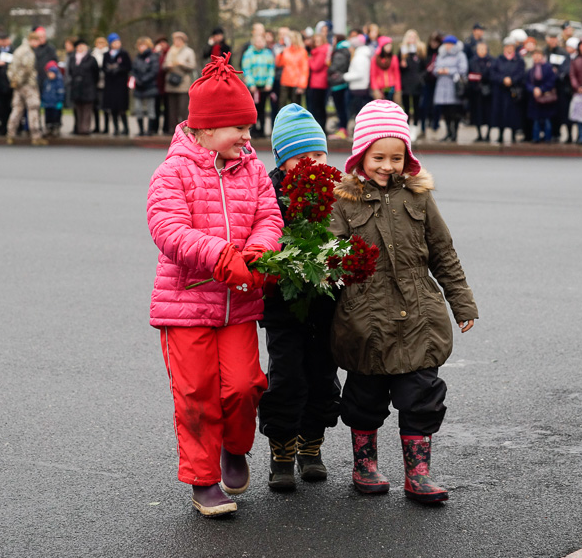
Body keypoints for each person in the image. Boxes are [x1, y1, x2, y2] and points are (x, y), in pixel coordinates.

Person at [146, 53, 283, 518]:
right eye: (238, 129)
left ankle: (234, 447)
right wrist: (219, 255)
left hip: (238, 303)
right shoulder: (173, 172)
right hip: (186, 304)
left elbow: (269, 217)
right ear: (205, 130)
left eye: (249, 128)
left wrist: (259, 251)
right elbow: (167, 228)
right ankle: (204, 481)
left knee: (245, 386)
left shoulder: (252, 169)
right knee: (197, 394)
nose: (248, 138)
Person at [329, 99, 477, 504]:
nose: (387, 166)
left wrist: (461, 303)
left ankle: (419, 472)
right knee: (364, 397)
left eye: (397, 157)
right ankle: (366, 464)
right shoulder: (343, 202)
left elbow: (444, 253)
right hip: (366, 319)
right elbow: (328, 258)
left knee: (422, 394)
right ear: (361, 157)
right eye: (379, 157)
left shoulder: (419, 199)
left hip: (418, 316)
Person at [258, 104, 340, 491]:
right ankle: (282, 450)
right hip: (283, 305)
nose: (312, 162)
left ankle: (312, 446)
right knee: (287, 375)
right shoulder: (268, 193)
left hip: (325, 303)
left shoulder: (334, 192)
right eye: (301, 157)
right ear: (281, 160)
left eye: (319, 154)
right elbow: (262, 238)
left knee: (323, 373)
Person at [488, 35, 526, 144]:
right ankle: (500, 134)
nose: (509, 49)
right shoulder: (498, 59)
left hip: (513, 91)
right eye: (507, 46)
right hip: (500, 90)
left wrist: (512, 80)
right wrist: (503, 79)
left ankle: (513, 135)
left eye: (511, 47)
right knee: (500, 113)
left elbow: (521, 73)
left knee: (513, 114)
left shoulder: (519, 60)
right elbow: (493, 73)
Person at [430, 35, 468, 142]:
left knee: (454, 112)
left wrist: (448, 71)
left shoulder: (460, 55)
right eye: (446, 44)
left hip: (453, 87)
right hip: (442, 87)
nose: (448, 46)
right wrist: (439, 71)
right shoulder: (440, 55)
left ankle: (455, 133)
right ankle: (448, 132)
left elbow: (463, 69)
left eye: (450, 44)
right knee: (445, 112)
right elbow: (435, 68)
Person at [7, 32, 42, 144]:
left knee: (17, 109)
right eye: (37, 41)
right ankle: (35, 136)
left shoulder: (18, 50)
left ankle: (10, 134)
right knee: (33, 108)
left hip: (17, 84)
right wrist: (20, 81)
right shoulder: (28, 52)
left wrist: (14, 81)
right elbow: (27, 68)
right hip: (27, 84)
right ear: (32, 40)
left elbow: (11, 68)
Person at [241, 33, 275, 138]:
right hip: (253, 87)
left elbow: (271, 69)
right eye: (258, 41)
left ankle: (263, 130)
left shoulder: (268, 53)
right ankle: (254, 130)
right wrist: (251, 84)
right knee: (253, 109)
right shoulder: (248, 54)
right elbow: (247, 69)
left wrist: (269, 83)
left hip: (264, 86)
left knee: (263, 109)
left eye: (262, 41)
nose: (260, 43)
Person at [163, 32, 196, 134]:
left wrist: (183, 64)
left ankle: (185, 129)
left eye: (178, 40)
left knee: (183, 108)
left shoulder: (188, 52)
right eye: (175, 40)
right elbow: (163, 65)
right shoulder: (170, 51)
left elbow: (192, 66)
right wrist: (167, 65)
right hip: (171, 83)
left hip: (183, 83)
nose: (176, 42)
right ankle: (173, 129)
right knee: (172, 108)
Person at [67, 38, 98, 135]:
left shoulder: (91, 59)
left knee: (87, 109)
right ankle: (78, 128)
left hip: (88, 87)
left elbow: (96, 74)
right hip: (76, 87)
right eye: (78, 46)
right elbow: (70, 72)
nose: (80, 48)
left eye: (82, 46)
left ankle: (85, 129)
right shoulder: (72, 59)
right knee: (77, 109)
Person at [102, 33, 132, 136]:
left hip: (120, 85)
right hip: (110, 85)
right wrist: (109, 70)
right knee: (112, 108)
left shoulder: (124, 53)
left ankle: (126, 128)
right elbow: (103, 67)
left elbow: (128, 67)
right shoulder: (106, 54)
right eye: (114, 42)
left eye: (118, 42)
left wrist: (118, 69)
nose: (116, 44)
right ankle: (116, 128)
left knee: (121, 108)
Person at [545, 29, 572, 143]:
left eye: (554, 38)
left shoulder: (563, 53)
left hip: (561, 87)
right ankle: (551, 134)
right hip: (547, 86)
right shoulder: (544, 52)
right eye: (550, 38)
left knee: (563, 112)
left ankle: (567, 135)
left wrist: (556, 75)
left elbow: (565, 69)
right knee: (549, 112)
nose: (552, 41)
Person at [131, 36, 160, 137]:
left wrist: (143, 80)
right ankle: (141, 130)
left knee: (150, 109)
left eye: (143, 45)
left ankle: (150, 130)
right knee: (138, 109)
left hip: (150, 86)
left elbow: (154, 71)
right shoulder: (137, 58)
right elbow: (133, 70)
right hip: (138, 87)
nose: (141, 48)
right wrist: (136, 80)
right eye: (139, 46)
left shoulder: (153, 57)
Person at [526, 49, 557, 143]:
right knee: (536, 120)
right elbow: (526, 82)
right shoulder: (530, 69)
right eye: (534, 55)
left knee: (547, 119)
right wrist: (534, 89)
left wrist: (541, 89)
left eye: (538, 55)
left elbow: (551, 81)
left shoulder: (548, 68)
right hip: (534, 98)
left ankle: (548, 138)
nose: (536, 57)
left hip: (546, 98)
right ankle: (536, 138)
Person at [466, 41, 493, 142]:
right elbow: (470, 73)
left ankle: (488, 135)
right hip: (476, 91)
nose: (481, 51)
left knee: (488, 114)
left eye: (483, 49)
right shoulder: (472, 61)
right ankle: (479, 134)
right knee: (477, 114)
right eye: (479, 49)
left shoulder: (491, 60)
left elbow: (492, 73)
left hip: (488, 92)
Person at [275, 31, 308, 108]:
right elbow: (279, 64)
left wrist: (301, 85)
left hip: (296, 83)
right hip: (285, 81)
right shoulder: (286, 50)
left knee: (295, 106)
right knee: (282, 104)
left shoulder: (302, 52)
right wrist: (280, 54)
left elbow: (304, 70)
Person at [344, 34, 372, 123]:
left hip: (359, 89)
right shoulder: (361, 56)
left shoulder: (360, 57)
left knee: (359, 114)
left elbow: (359, 74)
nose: (349, 49)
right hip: (359, 88)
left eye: (351, 46)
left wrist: (345, 76)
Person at [399, 30, 424, 126]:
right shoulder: (403, 50)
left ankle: (416, 125)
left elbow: (423, 66)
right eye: (410, 37)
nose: (411, 39)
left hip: (416, 82)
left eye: (413, 36)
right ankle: (406, 124)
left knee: (416, 104)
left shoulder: (420, 50)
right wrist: (402, 65)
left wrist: (420, 78)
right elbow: (398, 66)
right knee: (406, 105)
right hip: (405, 82)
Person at [327, 35, 351, 136]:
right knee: (342, 108)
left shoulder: (339, 53)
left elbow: (333, 68)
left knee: (340, 108)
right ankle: (342, 129)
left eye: (334, 39)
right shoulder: (345, 51)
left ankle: (342, 130)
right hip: (341, 83)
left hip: (338, 85)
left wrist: (329, 69)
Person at [307, 33, 330, 130]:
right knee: (318, 106)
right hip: (318, 82)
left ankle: (320, 127)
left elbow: (315, 66)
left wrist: (309, 60)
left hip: (318, 83)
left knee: (318, 107)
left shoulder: (321, 51)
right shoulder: (319, 51)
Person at [369, 36, 400, 104]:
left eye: (390, 45)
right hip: (380, 89)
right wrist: (375, 89)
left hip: (391, 88)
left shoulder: (394, 58)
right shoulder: (375, 59)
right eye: (387, 45)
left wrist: (398, 90)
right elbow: (373, 75)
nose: (389, 47)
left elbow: (397, 74)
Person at [40, 61, 65, 138]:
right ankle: (48, 129)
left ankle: (56, 129)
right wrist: (43, 101)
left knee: (56, 117)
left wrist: (60, 101)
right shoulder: (46, 82)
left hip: (55, 104)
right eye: (49, 73)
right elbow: (44, 92)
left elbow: (61, 92)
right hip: (47, 104)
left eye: (52, 73)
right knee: (48, 117)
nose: (50, 75)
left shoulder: (58, 82)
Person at [151, 37, 170, 135]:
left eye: (164, 42)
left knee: (167, 108)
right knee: (156, 108)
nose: (162, 45)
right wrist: (155, 53)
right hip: (156, 85)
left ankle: (166, 128)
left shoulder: (170, 52)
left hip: (167, 84)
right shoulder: (154, 54)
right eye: (160, 43)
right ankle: (154, 128)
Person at [91, 36, 108, 134]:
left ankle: (106, 128)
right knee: (95, 107)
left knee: (105, 107)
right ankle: (96, 127)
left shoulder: (108, 53)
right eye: (98, 43)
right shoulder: (93, 54)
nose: (100, 45)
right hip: (95, 83)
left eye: (102, 43)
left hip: (106, 84)